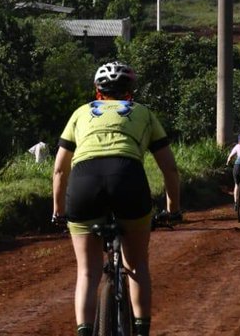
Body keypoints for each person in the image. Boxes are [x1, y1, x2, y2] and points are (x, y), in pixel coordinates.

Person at [52, 62, 181, 336]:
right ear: (129, 92)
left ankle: (85, 332)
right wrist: (173, 209)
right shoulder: (144, 113)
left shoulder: (80, 113)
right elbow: (169, 168)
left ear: (98, 92)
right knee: (136, 265)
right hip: (127, 179)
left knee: (87, 272)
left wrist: (58, 211)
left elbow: (60, 169)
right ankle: (141, 330)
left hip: (84, 182)